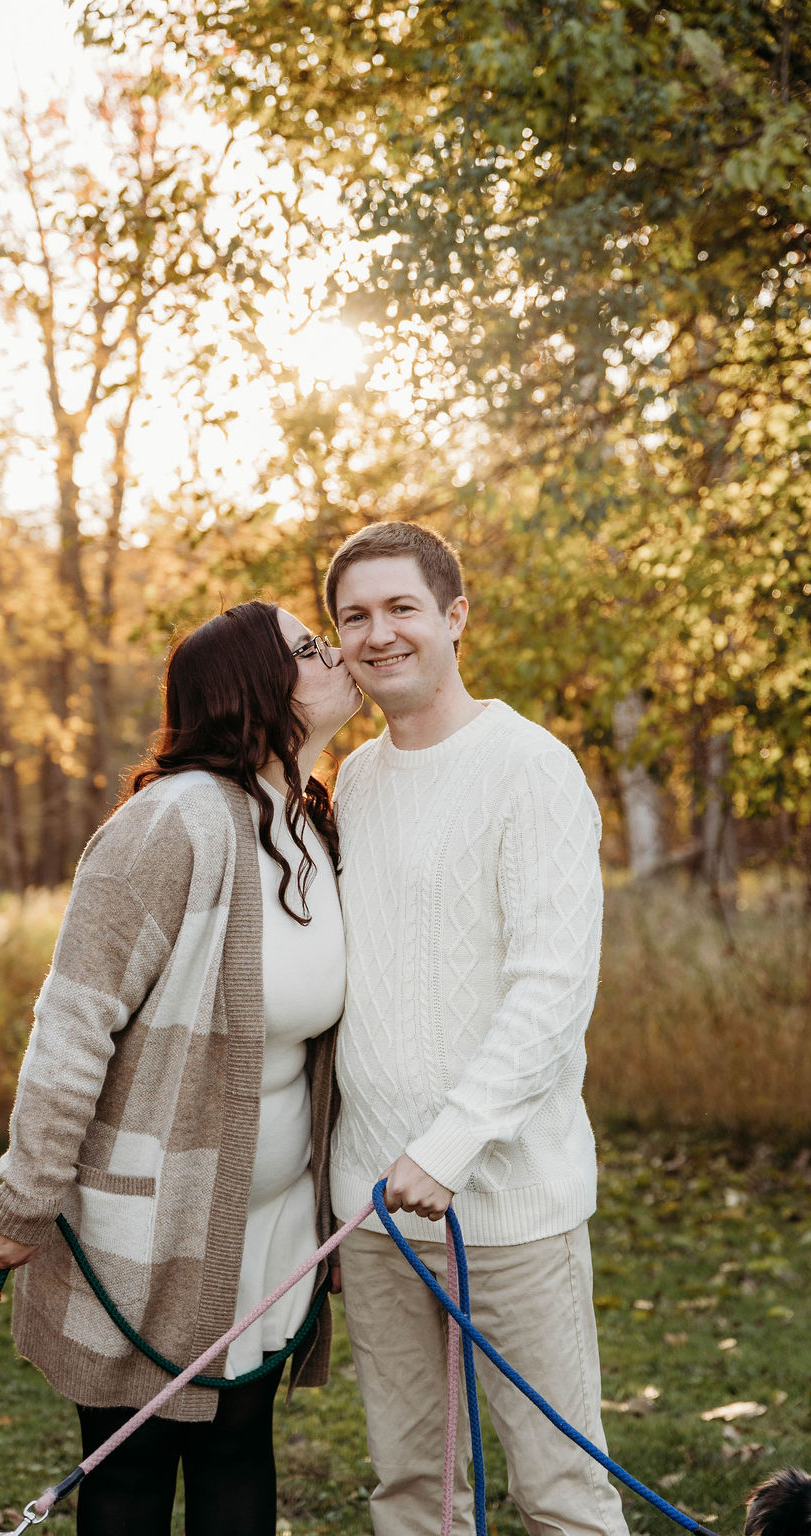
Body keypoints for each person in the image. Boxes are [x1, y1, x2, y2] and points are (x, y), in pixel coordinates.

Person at [0, 600, 361, 1536]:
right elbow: (72, 1027)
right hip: (147, 1218)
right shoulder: (171, 824)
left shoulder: (307, 821)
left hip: (264, 1221)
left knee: (239, 1443)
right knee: (132, 1468)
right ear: (255, 690)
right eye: (310, 647)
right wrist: (25, 1197)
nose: (339, 651)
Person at [324, 521, 630, 1536]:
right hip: (372, 1211)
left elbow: (550, 990)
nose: (379, 635)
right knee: (413, 1493)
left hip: (506, 1209)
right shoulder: (353, 782)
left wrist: (449, 1144)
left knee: (558, 1491)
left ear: (455, 616)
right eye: (354, 617)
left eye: (401, 607)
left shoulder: (528, 768)